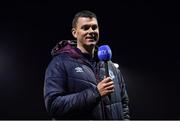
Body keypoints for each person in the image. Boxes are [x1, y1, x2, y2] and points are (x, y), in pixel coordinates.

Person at [44, 10, 130, 120]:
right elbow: (54, 106)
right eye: (85, 28)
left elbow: (124, 104)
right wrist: (96, 93)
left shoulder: (110, 65)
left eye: (94, 27)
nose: (91, 31)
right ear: (74, 32)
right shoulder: (59, 63)